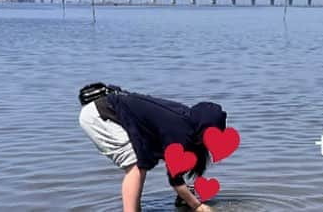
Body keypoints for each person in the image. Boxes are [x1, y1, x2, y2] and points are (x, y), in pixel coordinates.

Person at [78, 83, 226, 212]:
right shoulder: (180, 131)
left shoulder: (187, 120)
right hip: (99, 115)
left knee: (141, 160)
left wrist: (185, 197)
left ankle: (180, 200)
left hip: (106, 108)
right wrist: (198, 207)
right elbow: (175, 179)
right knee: (135, 164)